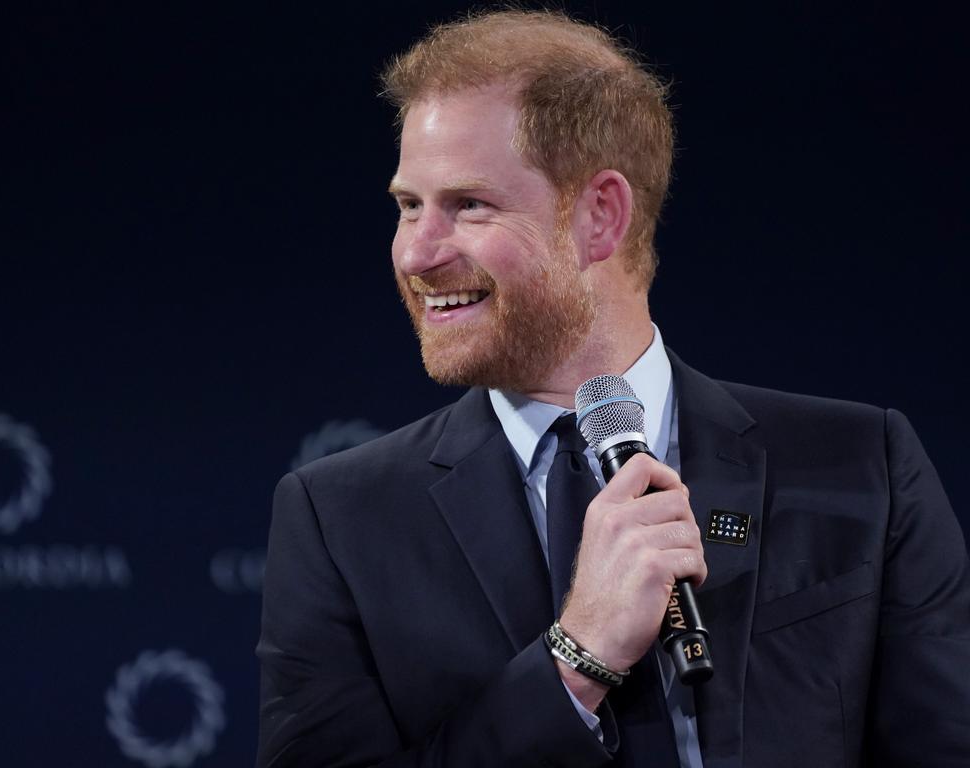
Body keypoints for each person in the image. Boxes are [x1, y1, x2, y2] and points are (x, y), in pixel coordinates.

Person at [256, 10, 970, 767]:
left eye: (467, 204)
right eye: (407, 206)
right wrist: (577, 658)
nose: (416, 253)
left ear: (601, 216)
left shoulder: (862, 466)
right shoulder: (339, 520)